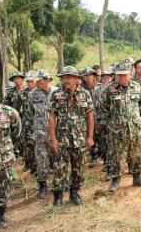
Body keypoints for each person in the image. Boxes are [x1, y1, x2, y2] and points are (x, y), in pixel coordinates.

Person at [99, 63, 141, 191]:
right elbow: (102, 109)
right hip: (117, 130)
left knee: (136, 152)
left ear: (130, 74)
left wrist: (134, 118)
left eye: (125, 75)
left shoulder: (137, 87)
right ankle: (115, 180)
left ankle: (137, 177)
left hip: (135, 129)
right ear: (115, 76)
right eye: (119, 75)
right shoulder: (108, 90)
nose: (122, 77)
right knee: (117, 155)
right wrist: (110, 124)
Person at [49, 66, 94, 206]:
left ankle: (75, 193)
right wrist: (53, 139)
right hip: (62, 139)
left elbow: (90, 116)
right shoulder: (56, 95)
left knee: (78, 167)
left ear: (77, 79)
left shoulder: (85, 95)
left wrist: (90, 137)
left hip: (80, 138)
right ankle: (58, 196)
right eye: (63, 77)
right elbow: (51, 117)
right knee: (60, 167)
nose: (65, 80)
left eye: (68, 77)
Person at [0, 85, 21, 229]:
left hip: (3, 157)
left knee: (6, 184)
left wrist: (5, 148)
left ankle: (0, 215)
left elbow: (16, 132)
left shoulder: (9, 113)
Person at [27, 69, 58, 199]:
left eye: (39, 81)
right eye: (36, 81)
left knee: (59, 159)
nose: (36, 83)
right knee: (41, 160)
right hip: (40, 133)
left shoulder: (57, 92)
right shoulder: (32, 95)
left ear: (47, 80)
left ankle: (59, 183)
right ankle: (43, 185)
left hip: (57, 133)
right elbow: (30, 113)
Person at [81, 67, 101, 169]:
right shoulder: (81, 90)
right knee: (90, 136)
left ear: (94, 76)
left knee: (102, 137)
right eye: (86, 76)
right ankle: (94, 156)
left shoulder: (101, 87)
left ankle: (104, 156)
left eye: (90, 75)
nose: (88, 78)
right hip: (87, 117)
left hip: (100, 116)